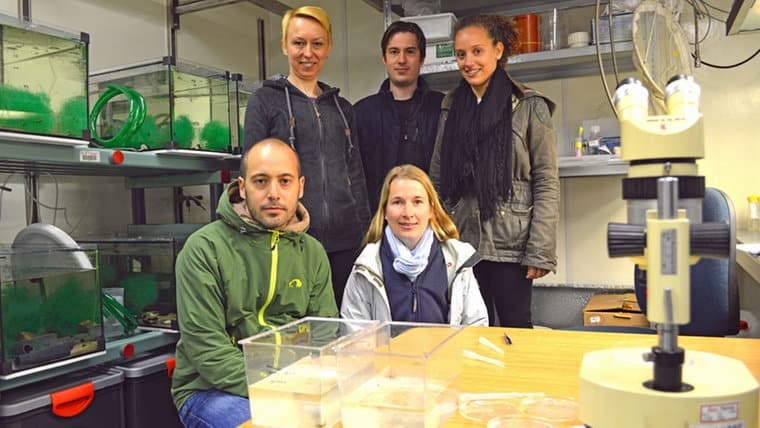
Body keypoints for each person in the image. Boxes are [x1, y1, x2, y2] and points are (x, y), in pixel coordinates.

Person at [171, 138, 339, 428]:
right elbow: (208, 350)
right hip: (211, 390)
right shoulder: (204, 249)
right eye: (261, 181)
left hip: (294, 385)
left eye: (284, 181)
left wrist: (307, 388)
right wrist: (281, 391)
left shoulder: (312, 252)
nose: (273, 193)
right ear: (242, 186)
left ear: (300, 187)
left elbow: (324, 332)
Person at [429, 14, 559, 328]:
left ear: (498, 50)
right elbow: (436, 179)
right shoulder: (450, 107)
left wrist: (540, 250)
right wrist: (436, 240)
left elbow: (546, 181)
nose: (468, 62)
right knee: (470, 331)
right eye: (461, 54)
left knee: (517, 329)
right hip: (462, 241)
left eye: (477, 51)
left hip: (512, 244)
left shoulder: (529, 105)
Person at [244, 5, 371, 307]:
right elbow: (251, 171)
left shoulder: (342, 108)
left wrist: (366, 232)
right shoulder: (265, 101)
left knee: (344, 321)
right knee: (297, 323)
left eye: (317, 44)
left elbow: (355, 173)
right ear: (284, 45)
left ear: (329, 47)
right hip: (291, 237)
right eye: (299, 43)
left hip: (346, 242)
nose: (308, 53)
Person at [341, 164, 488, 326]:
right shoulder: (366, 267)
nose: (408, 213)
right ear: (384, 211)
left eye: (417, 202)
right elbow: (355, 333)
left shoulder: (457, 261)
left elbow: (476, 327)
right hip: (384, 345)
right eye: (398, 202)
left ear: (431, 209)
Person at [354, 21, 445, 209]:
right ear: (384, 58)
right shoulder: (361, 113)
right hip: (379, 219)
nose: (401, 60)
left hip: (432, 217)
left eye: (410, 52)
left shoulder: (442, 108)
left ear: (422, 58)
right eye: (394, 52)